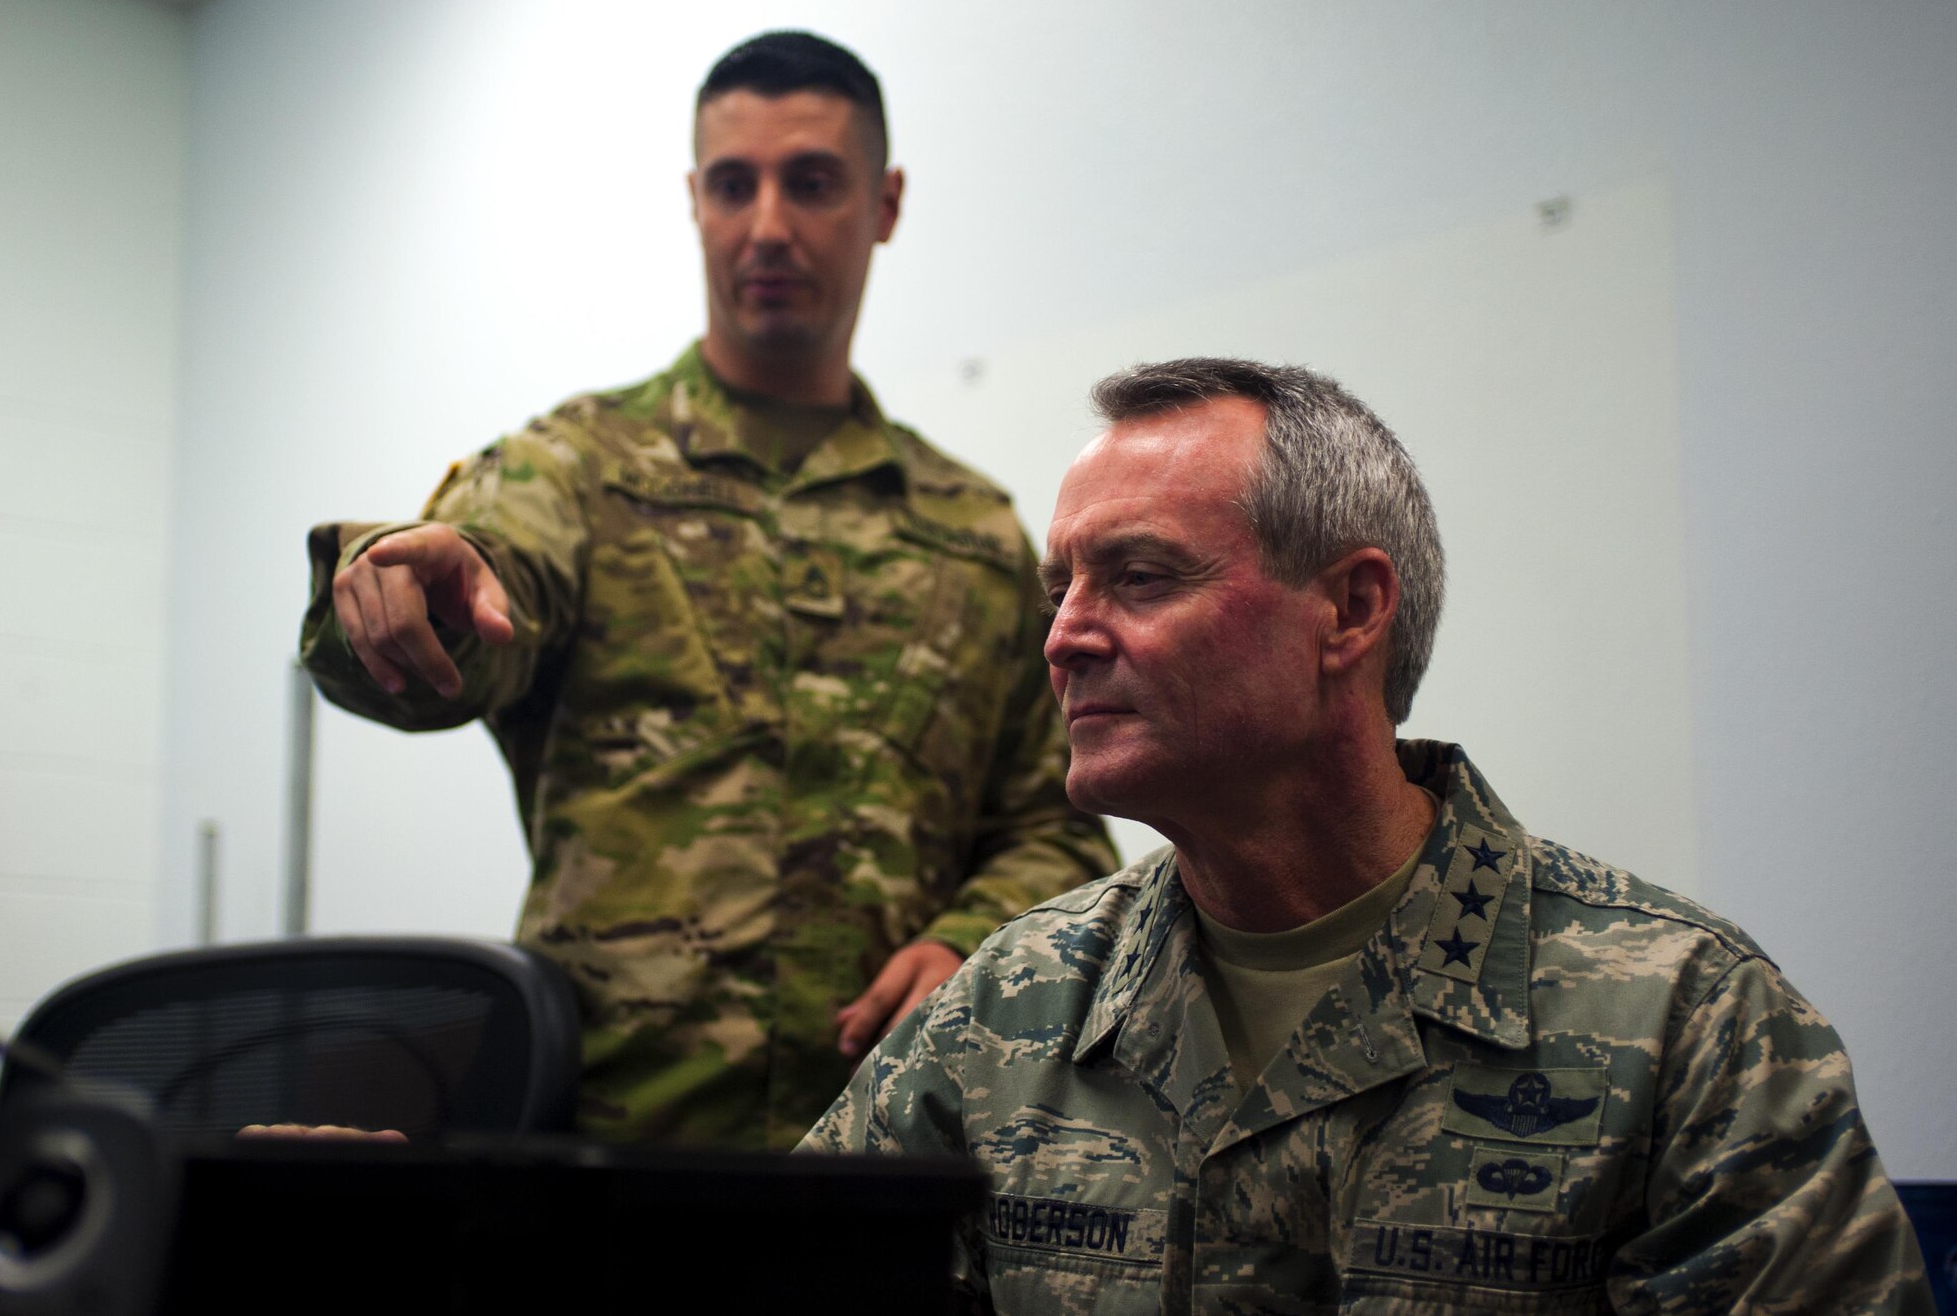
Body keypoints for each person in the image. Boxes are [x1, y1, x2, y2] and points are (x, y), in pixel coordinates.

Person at [804, 358, 1931, 1312]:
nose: (1062, 638)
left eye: (1137, 577)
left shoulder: (1683, 1018)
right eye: (1060, 589)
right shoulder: (1010, 1005)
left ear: (1347, 609)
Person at [297, 32, 1114, 1151]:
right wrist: (409, 586)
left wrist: (967, 940)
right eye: (733, 184)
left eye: (812, 182)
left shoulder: (973, 533)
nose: (767, 225)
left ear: (883, 203)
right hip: (603, 1164)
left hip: (887, 1162)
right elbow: (481, 598)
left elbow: (1052, 824)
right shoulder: (578, 466)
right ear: (694, 201)